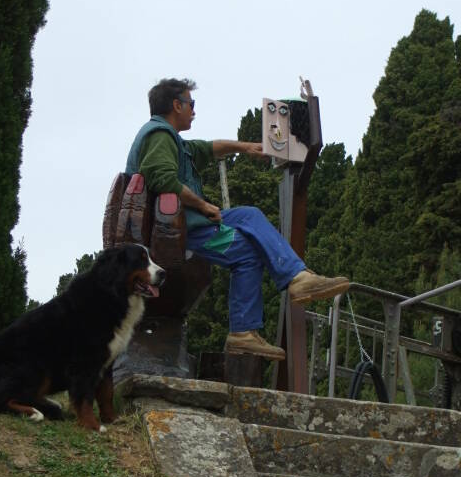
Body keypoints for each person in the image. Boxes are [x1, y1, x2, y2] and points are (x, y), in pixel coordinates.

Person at [125, 77, 349, 360]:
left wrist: (245, 147)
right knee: (246, 251)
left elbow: (208, 148)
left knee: (249, 215)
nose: (194, 110)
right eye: (190, 104)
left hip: (187, 224)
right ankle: (244, 329)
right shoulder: (160, 136)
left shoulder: (170, 139)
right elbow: (162, 178)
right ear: (176, 105)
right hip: (178, 231)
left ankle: (296, 278)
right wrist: (203, 205)